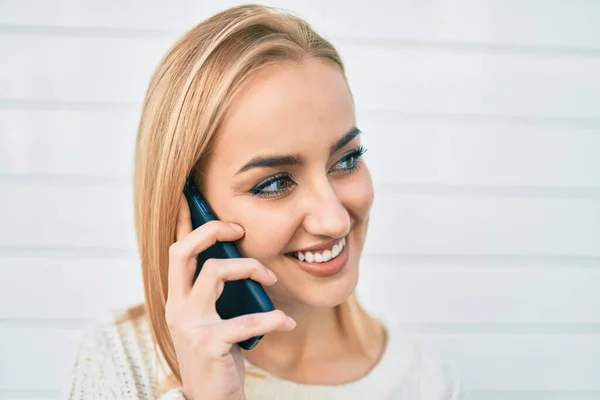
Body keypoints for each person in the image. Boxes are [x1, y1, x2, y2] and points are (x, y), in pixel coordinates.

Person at [62, 4, 461, 399]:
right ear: (191, 209)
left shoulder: (425, 383)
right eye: (274, 183)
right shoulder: (119, 365)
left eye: (347, 159)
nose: (334, 220)